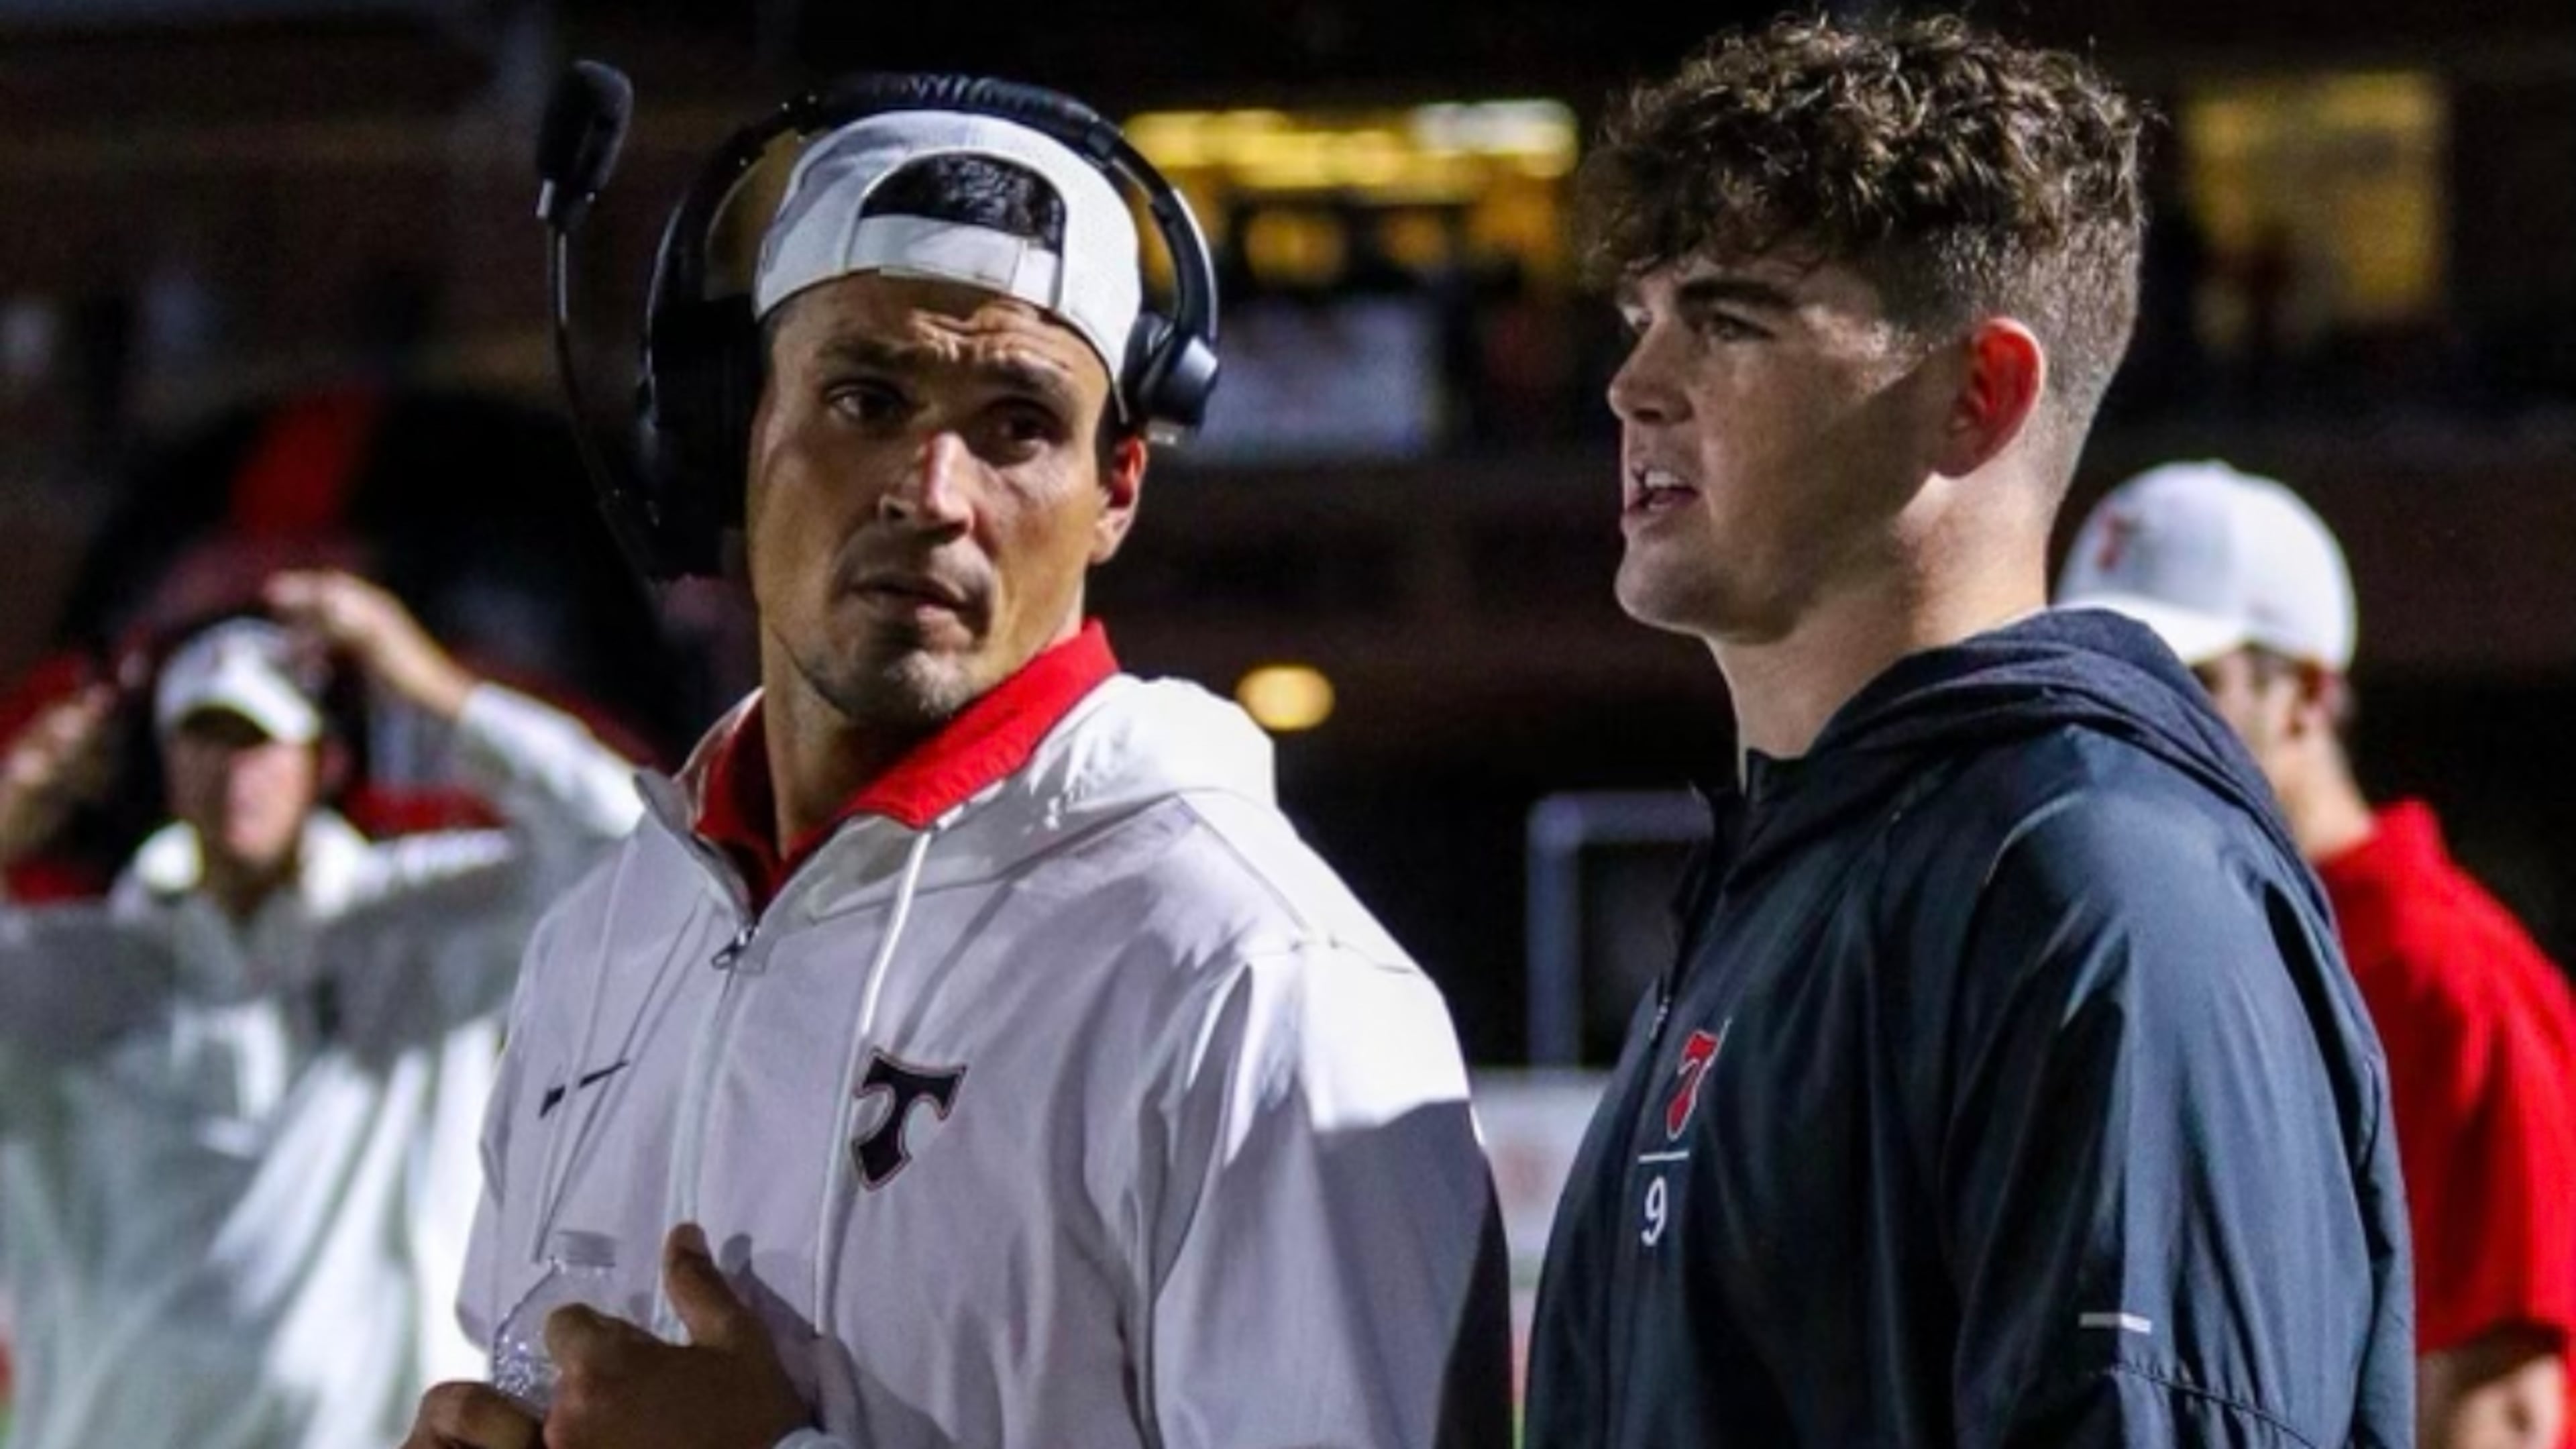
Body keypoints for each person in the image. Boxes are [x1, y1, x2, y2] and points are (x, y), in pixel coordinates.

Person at [402, 80, 1509, 1449]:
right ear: (734, 425)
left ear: (1118, 490)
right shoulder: (604, 940)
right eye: (867, 396)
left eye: (1017, 426)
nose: (934, 492)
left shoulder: (1259, 984)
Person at [1521, 15, 2410, 1446]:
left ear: (1978, 395)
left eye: (1732, 321)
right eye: (1643, 317)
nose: (1635, 385)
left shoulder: (2100, 889)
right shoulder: (1800, 876)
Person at [0, 570, 642, 1449]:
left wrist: (424, 679)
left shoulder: (417, 927)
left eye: (262, 740)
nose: (235, 772)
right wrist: (11, 807)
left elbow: (628, 847)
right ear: (166, 767)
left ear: (325, 760)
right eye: (205, 740)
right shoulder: (81, 969)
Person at [2061, 459, 2576, 1449]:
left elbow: (2502, 1410)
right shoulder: (2157, 935)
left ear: (2302, 693)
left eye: (2189, 680)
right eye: (2108, 678)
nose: (2135, 716)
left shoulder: (2445, 977)